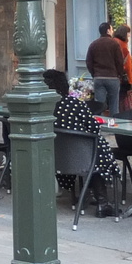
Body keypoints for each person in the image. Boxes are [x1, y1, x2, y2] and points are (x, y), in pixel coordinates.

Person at [44, 68, 120, 215]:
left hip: (58, 156)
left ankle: (88, 195)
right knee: (98, 150)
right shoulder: (73, 103)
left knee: (94, 151)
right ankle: (102, 203)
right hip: (82, 155)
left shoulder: (44, 107)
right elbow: (93, 127)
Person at [85, 21, 125, 115]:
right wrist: (119, 74)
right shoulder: (114, 44)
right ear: (108, 31)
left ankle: (99, 125)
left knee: (99, 105)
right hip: (112, 77)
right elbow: (119, 61)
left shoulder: (93, 44)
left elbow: (88, 62)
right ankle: (114, 124)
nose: (112, 31)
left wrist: (94, 74)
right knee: (114, 105)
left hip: (99, 77)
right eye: (111, 29)